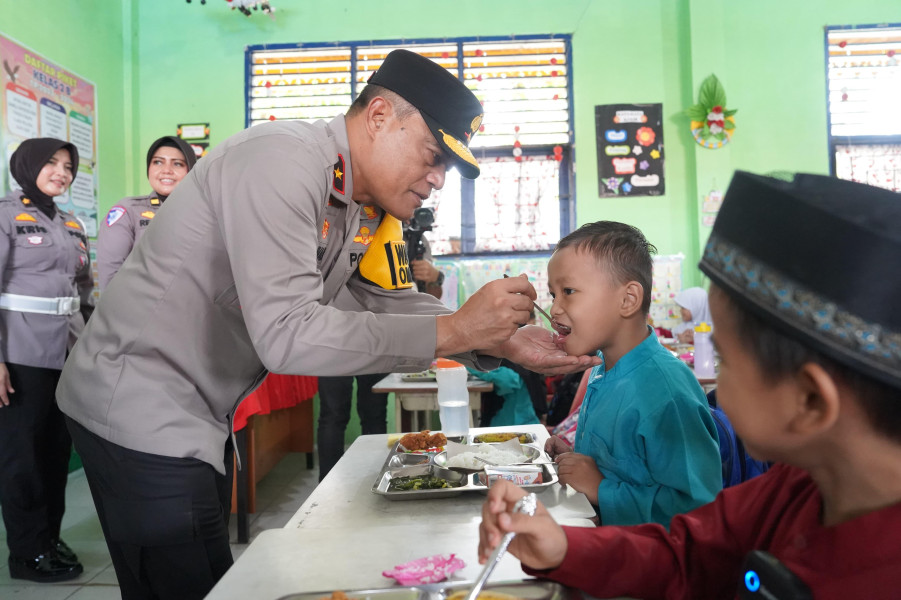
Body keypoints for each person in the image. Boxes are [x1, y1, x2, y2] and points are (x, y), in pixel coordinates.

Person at [56, 49, 597, 599]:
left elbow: (374, 301)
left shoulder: (356, 203)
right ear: (380, 116)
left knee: (208, 574)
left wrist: (502, 342)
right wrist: (456, 331)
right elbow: (288, 334)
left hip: (193, 411)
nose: (436, 180)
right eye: (433, 156)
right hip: (137, 400)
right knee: (183, 580)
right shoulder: (281, 162)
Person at [478, 171, 901, 599]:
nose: (714, 390)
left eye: (727, 360)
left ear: (810, 401)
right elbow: (685, 554)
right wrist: (563, 548)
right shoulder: (793, 489)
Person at [542, 221, 722, 527]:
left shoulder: (666, 392)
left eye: (568, 291)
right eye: (553, 294)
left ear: (628, 300)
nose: (555, 308)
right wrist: (574, 459)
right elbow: (631, 466)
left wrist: (602, 488)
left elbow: (697, 511)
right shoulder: (602, 370)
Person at [0, 138, 93, 582]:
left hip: (67, 355)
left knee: (56, 454)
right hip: (19, 355)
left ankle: (48, 538)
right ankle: (26, 553)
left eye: (68, 166)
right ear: (28, 166)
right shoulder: (4, 215)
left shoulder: (71, 223)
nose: (61, 172)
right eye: (52, 163)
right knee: (23, 459)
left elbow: (85, 294)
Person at [97, 135, 197, 290]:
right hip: (140, 309)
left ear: (190, 170)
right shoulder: (129, 211)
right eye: (158, 162)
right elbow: (111, 275)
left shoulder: (203, 216)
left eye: (177, 164)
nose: (166, 171)